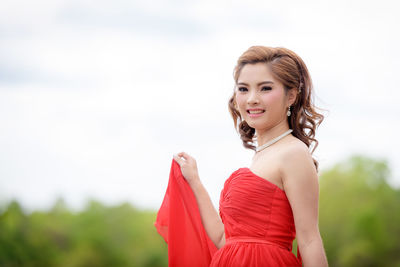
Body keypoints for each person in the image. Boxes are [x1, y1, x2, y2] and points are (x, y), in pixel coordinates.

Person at [171, 46, 329, 266]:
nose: (252, 99)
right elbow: (223, 239)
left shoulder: (293, 154)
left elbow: (309, 239)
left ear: (291, 95)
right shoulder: (260, 157)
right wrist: (195, 182)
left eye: (265, 88)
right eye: (243, 89)